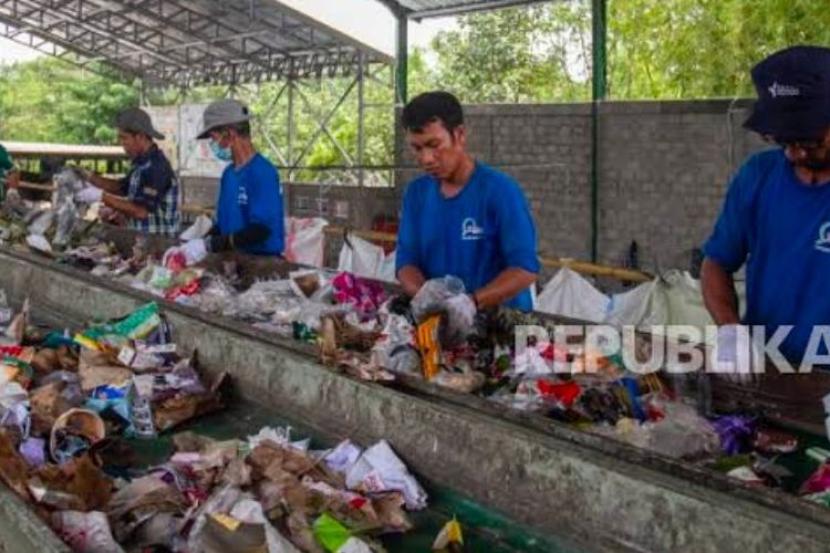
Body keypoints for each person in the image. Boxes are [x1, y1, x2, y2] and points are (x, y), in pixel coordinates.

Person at [702, 45, 830, 375]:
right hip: (766, 370)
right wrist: (730, 329)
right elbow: (716, 262)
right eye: (784, 143)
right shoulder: (757, 176)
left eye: (810, 143)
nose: (795, 155)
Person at [396, 91, 539, 317]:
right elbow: (407, 262)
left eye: (434, 145)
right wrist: (425, 296)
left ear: (459, 135)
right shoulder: (416, 194)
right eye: (417, 148)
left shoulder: (500, 192)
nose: (426, 158)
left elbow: (524, 269)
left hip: (501, 326)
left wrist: (471, 302)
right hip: (442, 324)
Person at [171, 99, 284, 266]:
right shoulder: (229, 174)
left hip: (262, 263)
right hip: (232, 260)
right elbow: (223, 224)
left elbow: (261, 230)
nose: (213, 144)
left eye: (213, 137)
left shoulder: (263, 173)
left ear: (230, 134)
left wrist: (211, 245)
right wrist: (198, 242)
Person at [75, 108, 180, 236]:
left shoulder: (156, 167)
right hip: (139, 241)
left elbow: (141, 211)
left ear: (140, 136)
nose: (122, 144)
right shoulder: (140, 165)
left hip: (158, 244)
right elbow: (120, 187)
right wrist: (89, 177)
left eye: (124, 138)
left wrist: (102, 196)